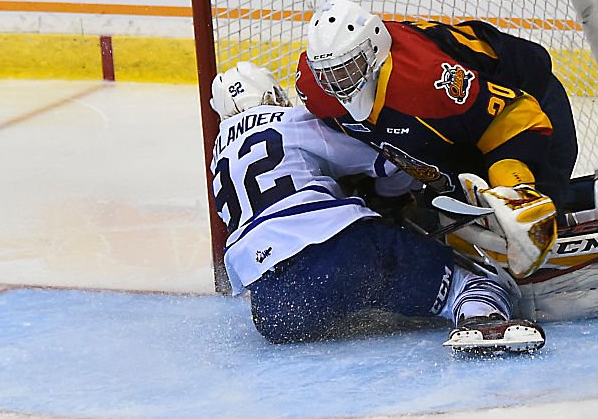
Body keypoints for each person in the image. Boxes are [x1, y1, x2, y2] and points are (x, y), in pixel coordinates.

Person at [208, 61, 544, 353]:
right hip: (339, 257)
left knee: (355, 288)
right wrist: (392, 198)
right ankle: (482, 317)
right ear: (272, 95)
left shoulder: (218, 160)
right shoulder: (290, 120)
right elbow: (390, 162)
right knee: (474, 282)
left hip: (273, 311)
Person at [294, 0, 579, 280]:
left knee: (532, 221)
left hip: (528, 96)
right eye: (329, 74)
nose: (340, 84)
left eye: (349, 68)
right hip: (463, 119)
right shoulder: (314, 88)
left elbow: (518, 117)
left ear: (376, 48)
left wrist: (516, 190)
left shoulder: (428, 81)